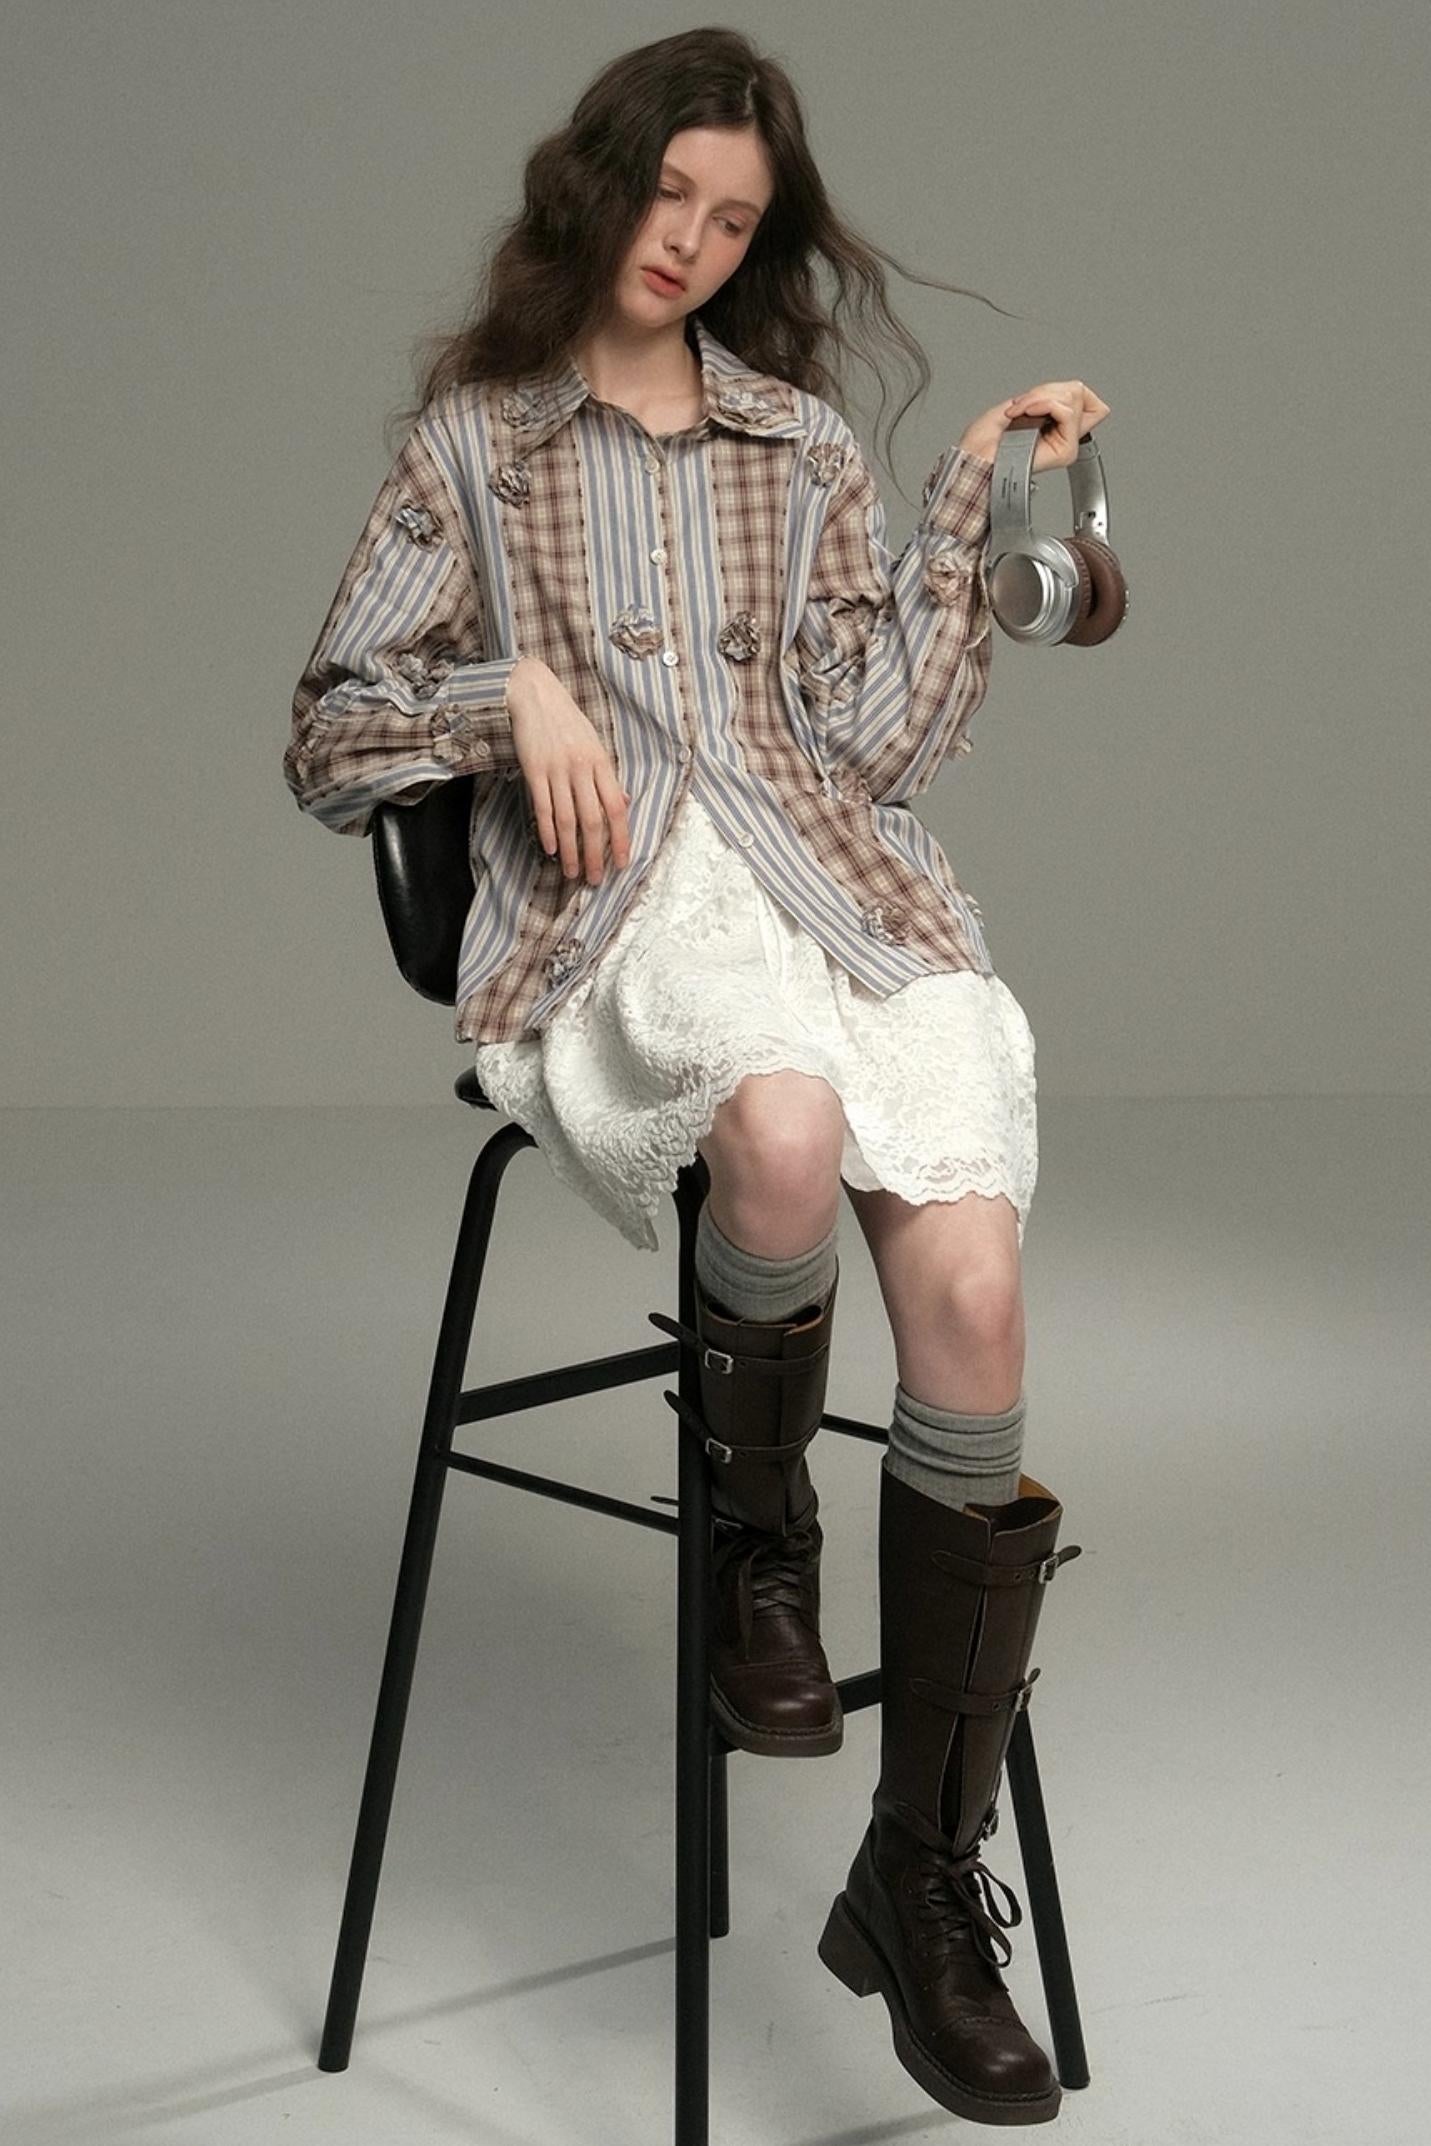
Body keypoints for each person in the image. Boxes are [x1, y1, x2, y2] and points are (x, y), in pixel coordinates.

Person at [283, 25, 1104, 2127]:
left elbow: (880, 744)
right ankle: (756, 1538)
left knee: (977, 1292)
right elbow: (331, 730)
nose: (693, 243)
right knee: (777, 1123)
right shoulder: (475, 449)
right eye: (671, 197)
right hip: (628, 919)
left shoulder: (794, 442)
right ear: (602, 183)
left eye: (734, 221)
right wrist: (510, 692)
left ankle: (920, 1876)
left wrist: (967, 500)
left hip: (843, 898)